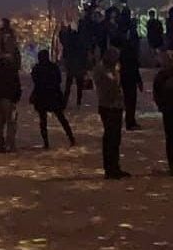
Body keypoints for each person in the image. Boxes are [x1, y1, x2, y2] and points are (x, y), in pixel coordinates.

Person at [93, 46, 129, 179]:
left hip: (115, 106)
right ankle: (110, 168)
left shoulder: (113, 69)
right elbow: (111, 86)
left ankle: (115, 166)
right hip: (108, 106)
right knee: (110, 138)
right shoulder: (102, 70)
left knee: (115, 138)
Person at [31, 48, 75, 148]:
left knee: (43, 120)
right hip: (54, 95)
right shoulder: (53, 67)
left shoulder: (37, 68)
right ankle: (71, 137)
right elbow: (58, 80)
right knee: (61, 118)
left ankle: (46, 142)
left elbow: (35, 81)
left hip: (41, 96)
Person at [0, 49, 22, 152]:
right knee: (11, 122)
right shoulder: (12, 71)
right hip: (9, 99)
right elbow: (16, 85)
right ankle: (10, 144)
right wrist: (16, 97)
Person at [116, 18, 144, 130]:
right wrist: (139, 80)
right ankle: (130, 121)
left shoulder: (123, 49)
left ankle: (129, 120)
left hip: (124, 76)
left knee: (128, 100)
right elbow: (134, 66)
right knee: (131, 100)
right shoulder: (131, 49)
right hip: (130, 77)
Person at [60, 22, 89, 109]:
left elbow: (65, 52)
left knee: (68, 85)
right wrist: (85, 66)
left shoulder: (69, 44)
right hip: (79, 66)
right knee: (79, 85)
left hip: (71, 65)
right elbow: (84, 54)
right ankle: (78, 102)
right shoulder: (81, 43)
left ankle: (65, 102)